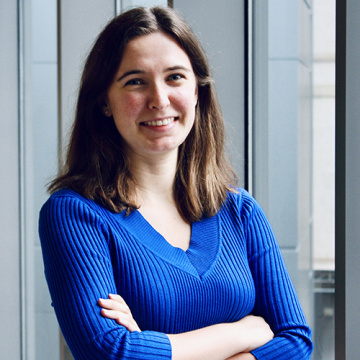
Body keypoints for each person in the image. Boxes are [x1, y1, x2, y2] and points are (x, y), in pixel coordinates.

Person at [39, 6, 313, 360]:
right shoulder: (75, 215)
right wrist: (243, 332)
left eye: (175, 77)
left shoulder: (239, 210)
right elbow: (111, 352)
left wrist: (155, 345)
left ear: (197, 92)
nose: (159, 100)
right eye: (135, 81)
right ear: (104, 101)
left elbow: (296, 343)